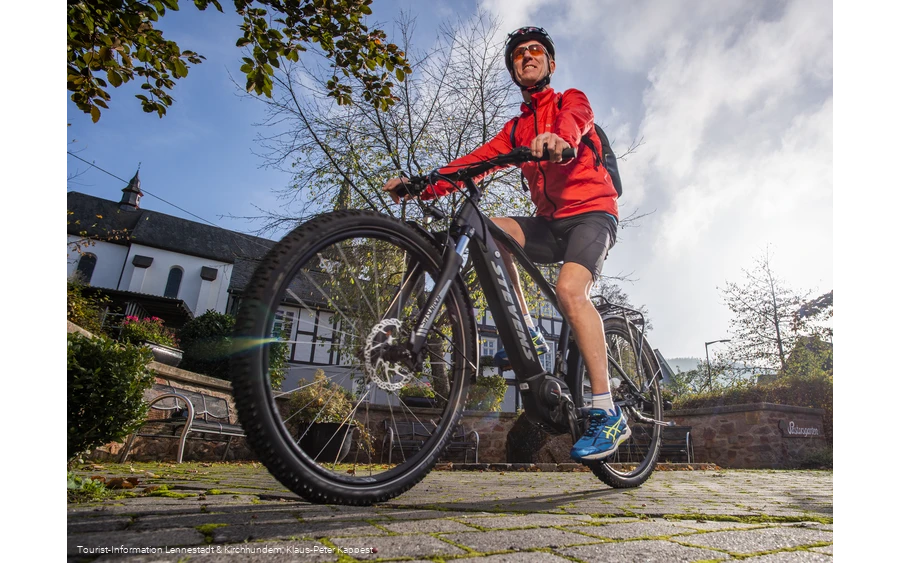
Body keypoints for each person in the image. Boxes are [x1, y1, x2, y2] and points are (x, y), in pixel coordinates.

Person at [382, 26, 629, 462]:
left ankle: (607, 411)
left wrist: (561, 141)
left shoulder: (571, 99)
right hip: (550, 223)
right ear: (514, 69)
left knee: (570, 291)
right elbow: (472, 163)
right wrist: (423, 185)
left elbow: (577, 122)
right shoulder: (515, 128)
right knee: (488, 229)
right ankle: (530, 331)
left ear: (550, 63)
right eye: (518, 54)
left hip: (593, 213)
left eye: (535, 51)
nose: (527, 57)